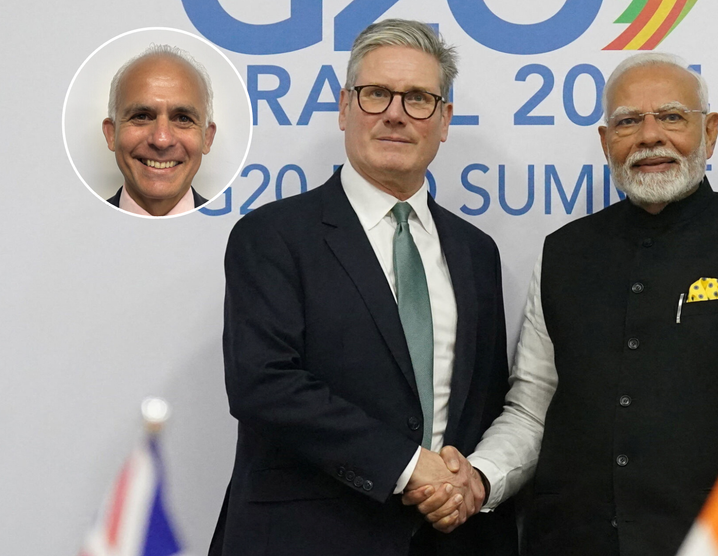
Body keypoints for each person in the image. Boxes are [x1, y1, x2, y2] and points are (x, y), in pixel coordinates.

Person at [410, 53, 718, 555]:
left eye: (672, 117)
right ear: (606, 141)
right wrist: (480, 477)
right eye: (628, 122)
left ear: (710, 132)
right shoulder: (563, 253)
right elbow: (532, 412)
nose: (650, 136)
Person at [208, 19, 516, 556]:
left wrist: (464, 484)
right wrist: (407, 466)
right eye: (376, 94)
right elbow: (264, 384)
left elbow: (483, 404)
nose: (395, 113)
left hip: (447, 539)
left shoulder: (476, 251)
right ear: (345, 107)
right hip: (306, 539)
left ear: (444, 120)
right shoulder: (272, 236)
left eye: (418, 98)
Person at [101, 44, 216, 216]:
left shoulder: (238, 228)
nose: (161, 140)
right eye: (141, 116)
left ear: (207, 138)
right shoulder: (72, 228)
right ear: (111, 134)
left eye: (183, 119)